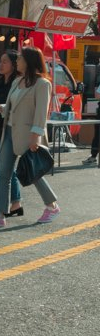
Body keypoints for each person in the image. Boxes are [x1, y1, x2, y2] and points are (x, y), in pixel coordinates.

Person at [0, 47, 60, 228]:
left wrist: (36, 137)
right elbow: (14, 107)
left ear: (29, 61)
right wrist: (3, 108)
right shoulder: (17, 81)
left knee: (33, 173)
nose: (16, 61)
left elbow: (41, 114)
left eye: (19, 58)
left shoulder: (43, 84)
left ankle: (52, 206)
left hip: (29, 135)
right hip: (9, 132)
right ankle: (2, 214)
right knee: (3, 174)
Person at [0, 49, 24, 217]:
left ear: (14, 64)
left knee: (6, 168)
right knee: (6, 168)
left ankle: (13, 204)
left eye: (4, 62)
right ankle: (15, 203)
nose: (1, 64)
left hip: (10, 128)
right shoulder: (1, 80)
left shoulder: (17, 83)